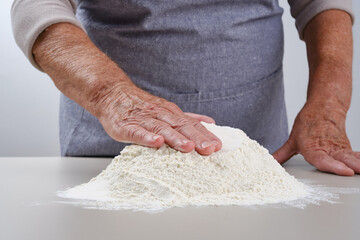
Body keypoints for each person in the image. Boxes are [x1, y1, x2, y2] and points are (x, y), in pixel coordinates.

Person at [11, 0, 359, 176]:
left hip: (255, 155)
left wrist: (330, 104)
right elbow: (37, 6)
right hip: (112, 147)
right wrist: (111, 95)